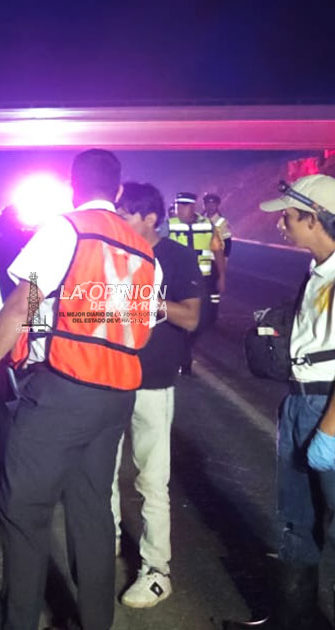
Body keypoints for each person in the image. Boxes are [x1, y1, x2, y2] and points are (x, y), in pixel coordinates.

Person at [0, 149, 162, 630]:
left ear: (74, 186)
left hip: (62, 391)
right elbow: (146, 326)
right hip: (115, 397)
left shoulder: (68, 228)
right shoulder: (143, 249)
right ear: (117, 190)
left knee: (22, 513)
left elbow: (20, 307)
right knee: (92, 512)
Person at [225, 174, 335, 629]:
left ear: (315, 218)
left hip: (327, 409)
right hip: (301, 402)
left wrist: (328, 431)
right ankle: (294, 620)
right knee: (295, 518)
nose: (281, 224)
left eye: (288, 216)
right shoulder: (318, 271)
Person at [109, 182, 203, 609]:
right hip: (109, 377)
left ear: (150, 217)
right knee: (101, 472)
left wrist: (149, 301)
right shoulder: (114, 252)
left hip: (154, 381)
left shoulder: (177, 256)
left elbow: (189, 317)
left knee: (152, 480)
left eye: (126, 213)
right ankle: (104, 542)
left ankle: (156, 570)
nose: (119, 220)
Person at [167, 192, 226, 375]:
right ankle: (183, 359)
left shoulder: (207, 225)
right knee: (181, 321)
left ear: (192, 207)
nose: (180, 210)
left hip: (203, 279)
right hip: (177, 280)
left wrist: (222, 276)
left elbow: (217, 251)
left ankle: (185, 349)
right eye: (178, 206)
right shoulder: (168, 225)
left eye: (184, 206)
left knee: (204, 320)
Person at [203, 192, 234, 258]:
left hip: (216, 260)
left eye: (213, 205)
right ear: (205, 206)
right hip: (201, 259)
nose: (210, 207)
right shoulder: (199, 221)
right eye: (208, 204)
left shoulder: (222, 222)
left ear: (217, 206)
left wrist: (224, 258)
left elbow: (227, 242)